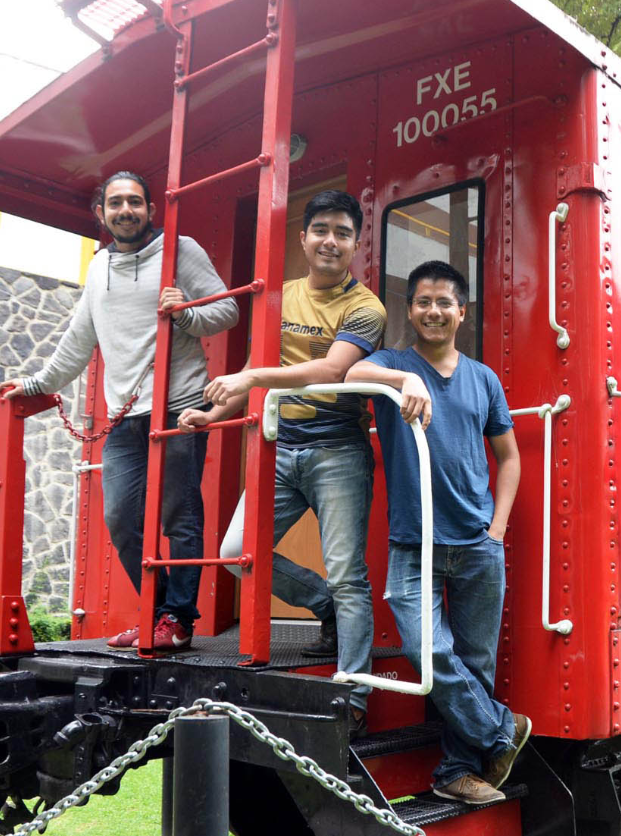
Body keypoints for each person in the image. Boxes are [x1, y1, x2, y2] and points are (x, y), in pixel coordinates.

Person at [0, 170, 239, 652]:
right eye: (115, 204)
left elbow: (228, 310)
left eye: (134, 202)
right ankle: (157, 613)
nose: (125, 210)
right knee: (120, 517)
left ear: (150, 209)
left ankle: (178, 621)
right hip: (126, 415)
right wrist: (36, 383)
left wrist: (187, 311)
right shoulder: (98, 267)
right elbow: (78, 338)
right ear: (102, 213)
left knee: (178, 516)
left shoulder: (180, 251)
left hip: (179, 405)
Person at [178, 190, 384, 733]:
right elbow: (253, 365)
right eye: (321, 230)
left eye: (343, 233)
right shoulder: (281, 296)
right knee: (234, 553)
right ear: (303, 238)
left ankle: (355, 694)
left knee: (347, 573)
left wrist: (250, 381)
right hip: (279, 443)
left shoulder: (366, 307)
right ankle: (324, 606)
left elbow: (335, 370)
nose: (330, 241)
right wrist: (212, 412)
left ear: (355, 244)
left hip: (337, 447)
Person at [345, 260, 530, 805]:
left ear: (461, 311)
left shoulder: (484, 379)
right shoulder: (393, 363)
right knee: (428, 650)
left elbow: (510, 458)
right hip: (414, 541)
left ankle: (457, 771)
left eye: (444, 302)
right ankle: (501, 730)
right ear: (411, 310)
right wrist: (403, 380)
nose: (433, 310)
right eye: (423, 301)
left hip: (478, 541)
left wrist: (497, 528)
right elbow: (351, 376)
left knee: (476, 661)